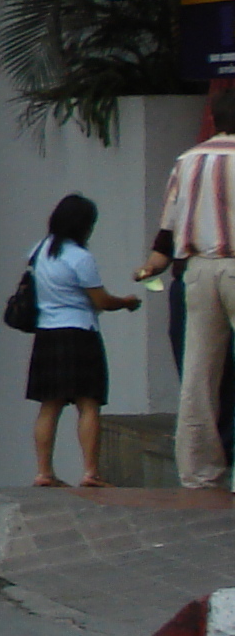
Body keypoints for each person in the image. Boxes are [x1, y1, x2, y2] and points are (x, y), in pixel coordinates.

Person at [23, 192, 142, 490]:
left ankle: (43, 472)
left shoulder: (38, 251)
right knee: (88, 405)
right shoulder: (80, 257)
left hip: (47, 334)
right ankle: (90, 471)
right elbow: (100, 300)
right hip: (79, 333)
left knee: (49, 405)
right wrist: (126, 302)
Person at [151, 88, 235, 489]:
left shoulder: (187, 161)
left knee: (199, 375)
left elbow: (168, 226)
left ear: (215, 120)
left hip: (198, 271)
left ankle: (199, 473)